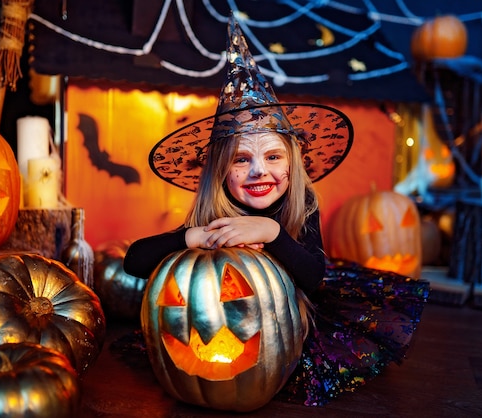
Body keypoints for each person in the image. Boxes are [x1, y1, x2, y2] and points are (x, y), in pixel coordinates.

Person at [124, 15, 428, 407]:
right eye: (240, 160)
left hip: (294, 322)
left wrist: (271, 234)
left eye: (271, 156)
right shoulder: (215, 212)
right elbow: (134, 261)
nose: (258, 171)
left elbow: (314, 276)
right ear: (220, 173)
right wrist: (191, 236)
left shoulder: (304, 204)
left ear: (292, 163)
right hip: (225, 325)